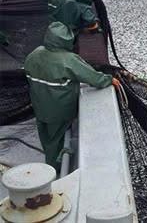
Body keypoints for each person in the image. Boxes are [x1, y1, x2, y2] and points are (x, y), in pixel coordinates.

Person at [24, 21, 118, 169]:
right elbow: (93, 78)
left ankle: (50, 158)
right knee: (56, 140)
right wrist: (109, 79)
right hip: (60, 111)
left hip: (39, 107)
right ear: (67, 40)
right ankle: (54, 169)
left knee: (46, 136)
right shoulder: (68, 60)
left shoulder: (34, 54)